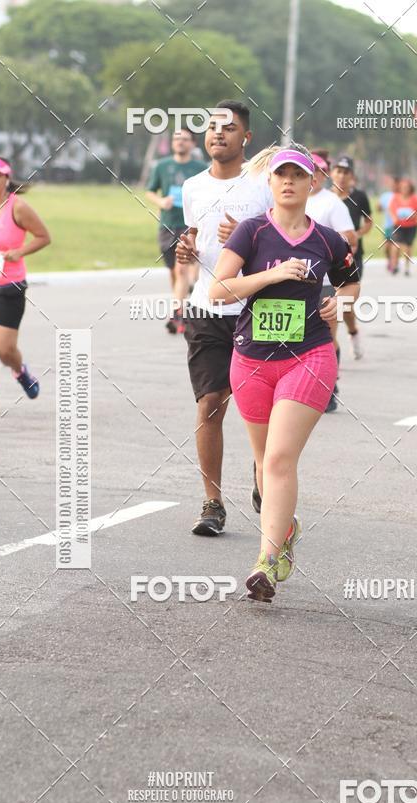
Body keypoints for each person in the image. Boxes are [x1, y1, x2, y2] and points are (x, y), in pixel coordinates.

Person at [208, 144, 360, 601]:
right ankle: (286, 526)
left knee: (278, 459)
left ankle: (264, 563)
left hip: (309, 355)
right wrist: (271, 277)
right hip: (252, 358)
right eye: (282, 175)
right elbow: (218, 291)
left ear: (313, 183)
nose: (290, 181)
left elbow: (352, 279)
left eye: (299, 174)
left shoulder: (329, 239)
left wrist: (342, 301)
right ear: (270, 184)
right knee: (262, 466)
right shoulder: (252, 234)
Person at [176, 100, 273, 535]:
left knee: (261, 410)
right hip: (206, 308)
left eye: (229, 128)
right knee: (210, 404)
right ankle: (212, 503)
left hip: (257, 309)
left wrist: (248, 240)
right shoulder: (192, 186)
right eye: (212, 127)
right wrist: (186, 251)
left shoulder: (264, 185)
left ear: (245, 138)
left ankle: (262, 473)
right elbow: (193, 241)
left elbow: (285, 246)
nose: (218, 134)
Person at [0, 156, 51, 415]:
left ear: (6, 178)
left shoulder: (18, 207)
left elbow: (44, 237)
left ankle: (20, 370)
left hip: (9, 287)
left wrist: (19, 251)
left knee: (4, 349)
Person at [305, 150, 356, 412]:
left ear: (323, 175)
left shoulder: (332, 203)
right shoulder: (288, 200)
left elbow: (350, 238)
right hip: (291, 281)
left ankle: (329, 387)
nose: (311, 176)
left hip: (323, 281)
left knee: (326, 336)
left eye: (316, 171)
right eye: (307, 170)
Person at [146, 129, 206, 334]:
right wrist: (161, 202)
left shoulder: (200, 168)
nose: (180, 142)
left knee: (182, 269)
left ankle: (177, 313)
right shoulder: (162, 166)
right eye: (176, 138)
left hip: (191, 225)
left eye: (185, 139)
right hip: (167, 223)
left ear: (193, 144)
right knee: (174, 271)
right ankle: (183, 296)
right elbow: (149, 191)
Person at [330, 155, 372, 359]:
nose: (341, 176)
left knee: (344, 303)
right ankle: (331, 346)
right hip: (327, 258)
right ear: (331, 173)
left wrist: (357, 235)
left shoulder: (360, 196)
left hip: (352, 257)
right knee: (331, 303)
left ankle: (353, 334)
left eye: (346, 172)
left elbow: (369, 222)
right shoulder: (323, 197)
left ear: (352, 176)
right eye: (338, 171)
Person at [388, 177, 417, 276]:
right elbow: (391, 209)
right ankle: (394, 265)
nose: (405, 189)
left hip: (411, 226)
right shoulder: (395, 197)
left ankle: (407, 267)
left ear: (410, 188)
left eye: (407, 187)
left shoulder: (414, 198)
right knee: (395, 246)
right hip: (398, 226)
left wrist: (410, 215)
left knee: (407, 247)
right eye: (403, 187)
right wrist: (394, 217)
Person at [377, 175, 397, 272]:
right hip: (387, 225)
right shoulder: (385, 196)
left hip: (398, 225)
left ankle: (394, 264)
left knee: (396, 245)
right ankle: (389, 260)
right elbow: (378, 209)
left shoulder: (400, 196)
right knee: (387, 247)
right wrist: (379, 206)